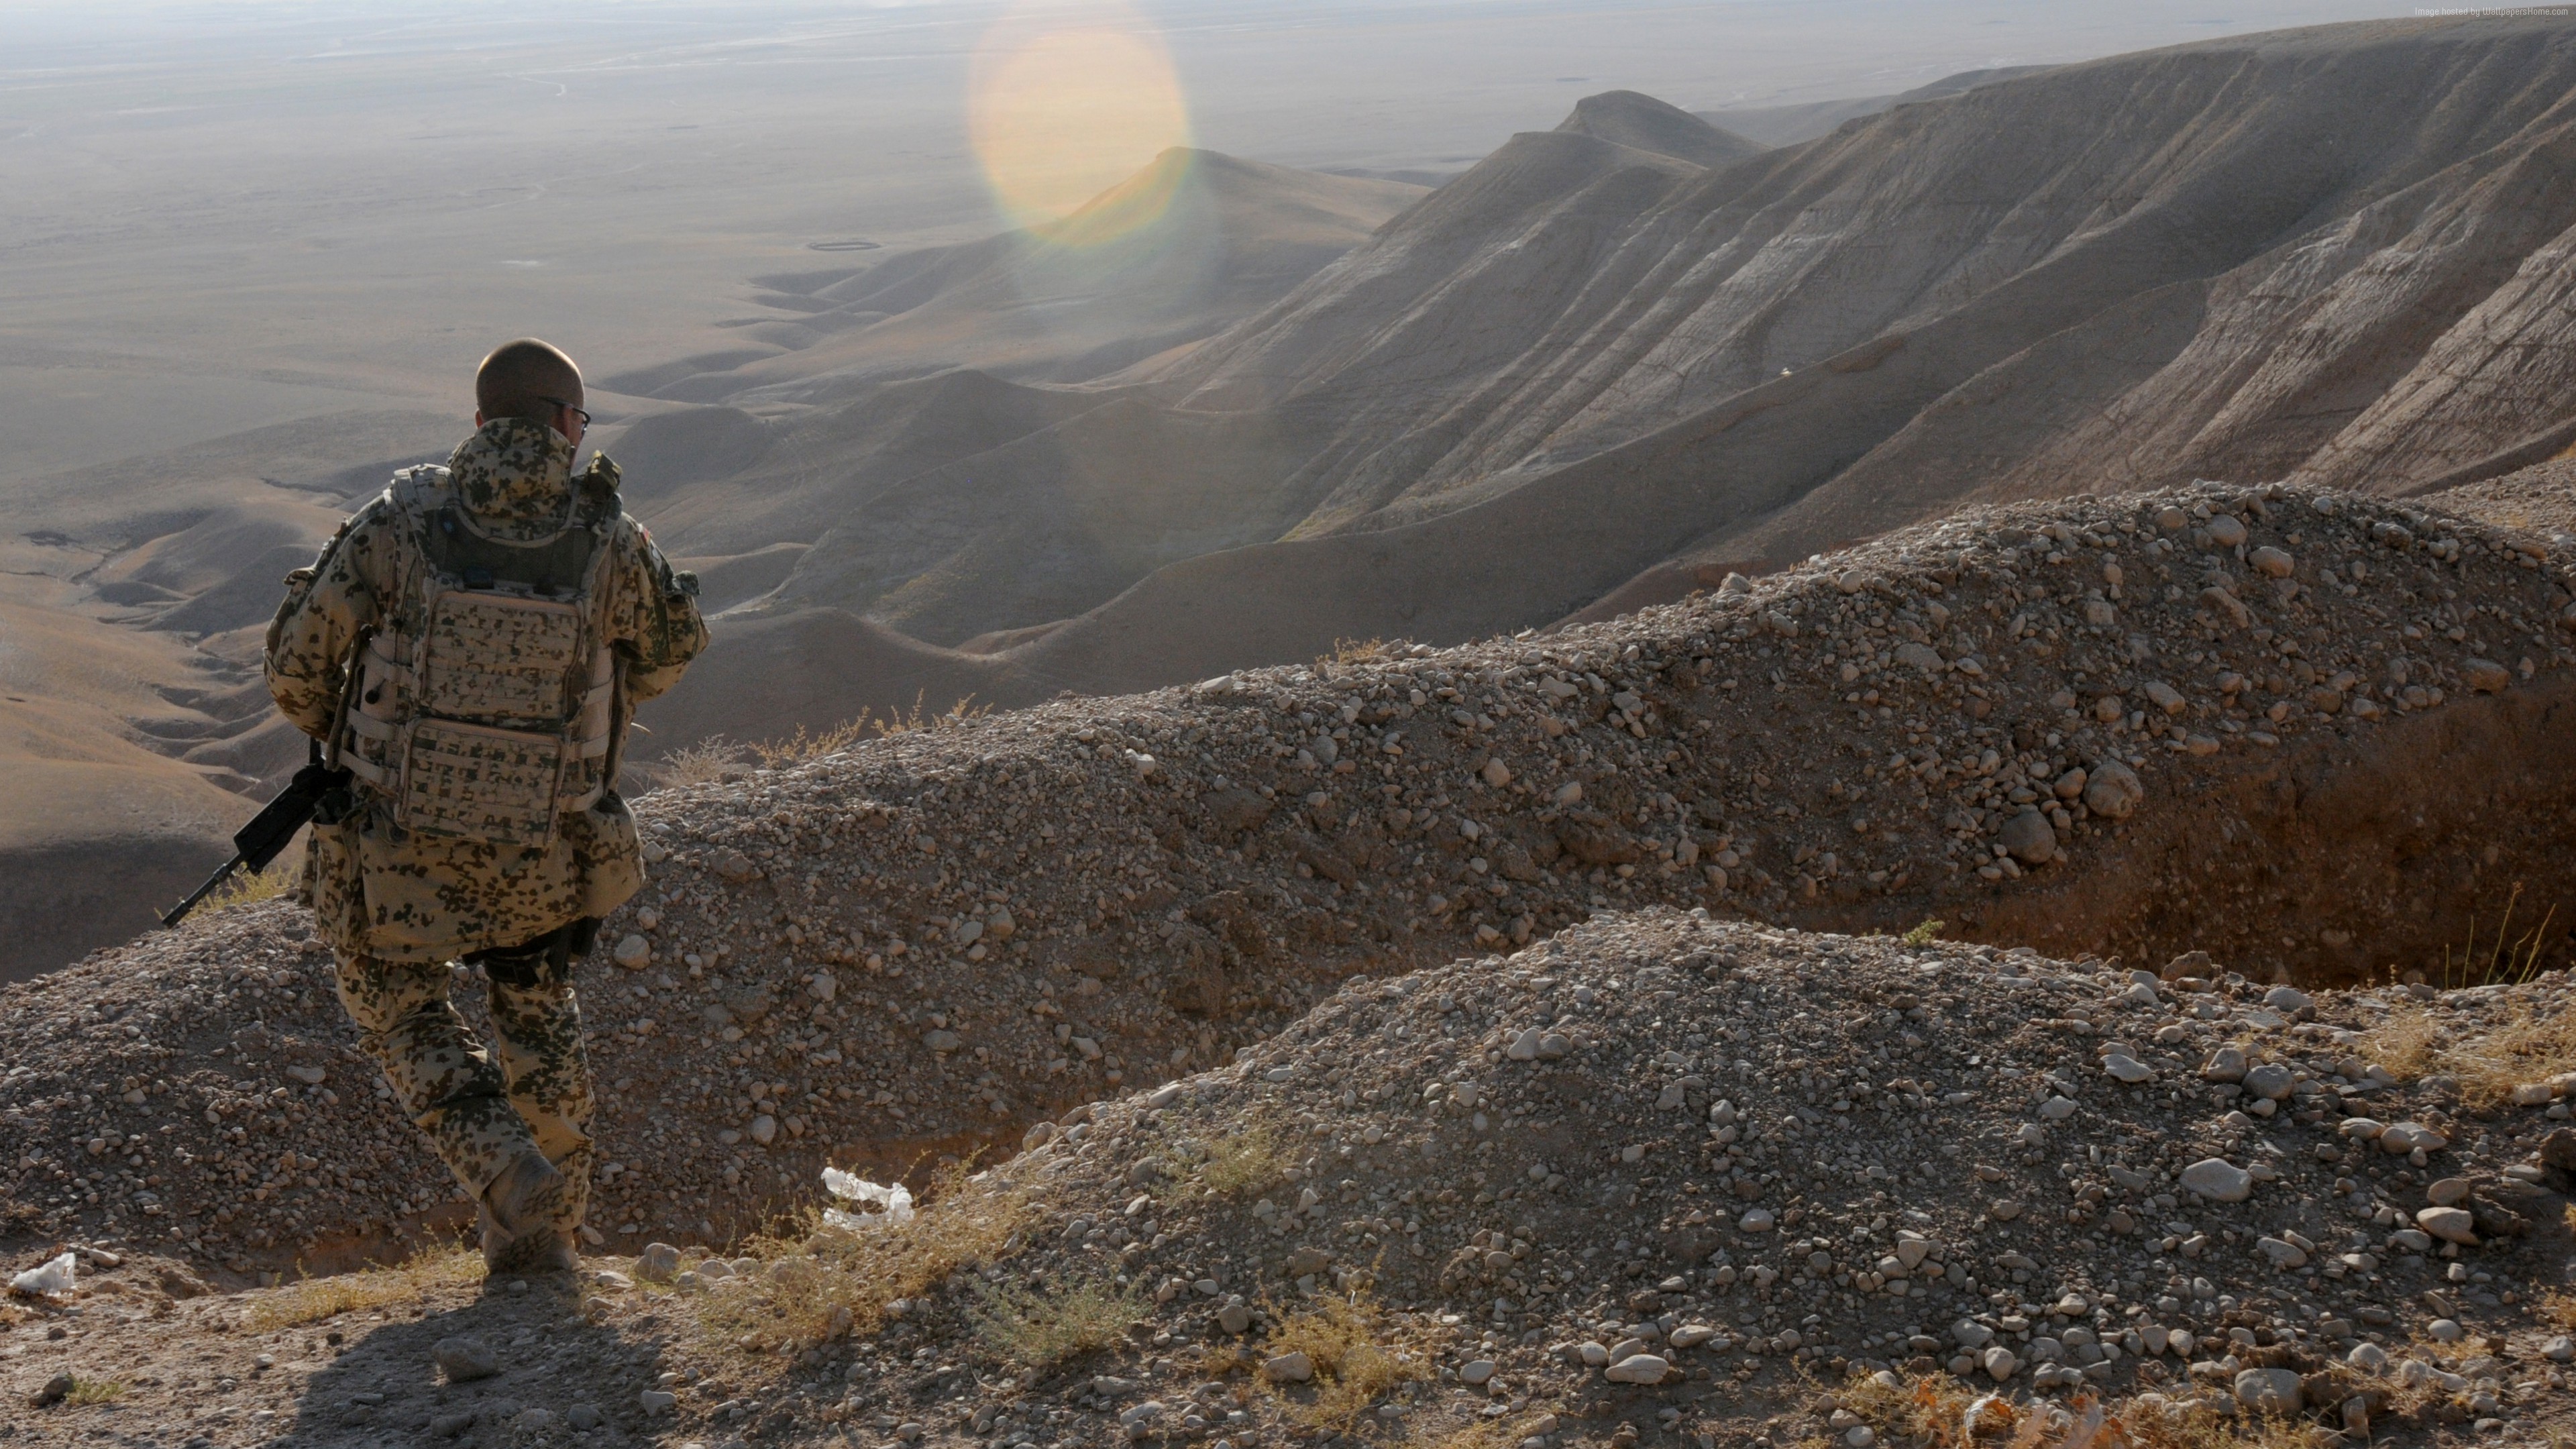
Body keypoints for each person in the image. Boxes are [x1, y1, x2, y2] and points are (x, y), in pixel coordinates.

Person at [264, 339, 707, 1273]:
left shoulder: (399, 519)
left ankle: (502, 1168)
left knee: (397, 1011)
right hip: (543, 846)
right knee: (538, 1017)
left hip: (394, 845)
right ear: (560, 423)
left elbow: (299, 666)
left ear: (480, 424)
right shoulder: (612, 537)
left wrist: (351, 739)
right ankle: (544, 1234)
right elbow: (669, 655)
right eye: (581, 421)